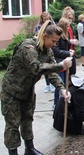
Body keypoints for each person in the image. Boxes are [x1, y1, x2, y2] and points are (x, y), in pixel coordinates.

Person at [0, 20, 72, 155]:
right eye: (53, 41)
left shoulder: (47, 50)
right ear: (45, 36)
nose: (54, 44)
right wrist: (61, 65)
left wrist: (62, 89)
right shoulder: (28, 47)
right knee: (12, 124)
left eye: (57, 42)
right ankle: (13, 152)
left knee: (27, 118)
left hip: (27, 90)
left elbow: (51, 72)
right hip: (12, 91)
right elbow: (36, 68)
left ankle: (29, 148)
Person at [52, 17, 74, 109]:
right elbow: (55, 51)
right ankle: (56, 103)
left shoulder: (66, 34)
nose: (69, 28)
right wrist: (68, 53)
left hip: (65, 61)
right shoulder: (58, 36)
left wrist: (69, 51)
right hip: (59, 62)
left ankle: (62, 102)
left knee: (64, 83)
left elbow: (65, 47)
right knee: (59, 83)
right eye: (67, 26)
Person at [35, 11, 55, 93]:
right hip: (43, 48)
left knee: (51, 65)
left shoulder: (53, 26)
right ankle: (47, 84)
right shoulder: (38, 27)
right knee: (45, 67)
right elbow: (37, 36)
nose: (46, 21)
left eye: (47, 19)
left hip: (50, 48)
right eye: (44, 19)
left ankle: (53, 84)